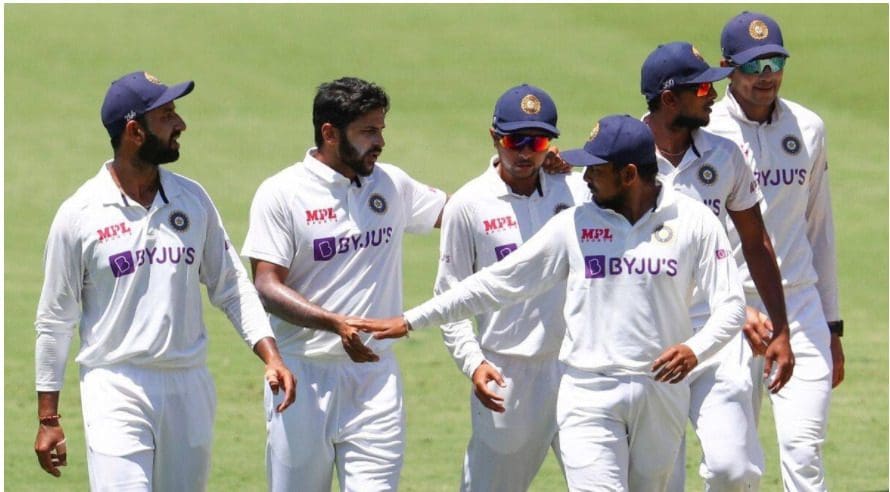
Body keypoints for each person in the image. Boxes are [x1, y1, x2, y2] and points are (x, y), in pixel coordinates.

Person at [349, 114, 746, 491]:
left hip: (661, 390)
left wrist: (695, 349)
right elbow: (496, 283)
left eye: (595, 169)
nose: (584, 178)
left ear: (628, 175)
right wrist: (410, 320)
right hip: (589, 390)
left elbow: (731, 305)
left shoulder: (693, 221)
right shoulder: (575, 224)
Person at [33, 71, 296, 491]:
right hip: (115, 384)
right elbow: (55, 318)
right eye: (167, 115)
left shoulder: (193, 199)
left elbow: (231, 286)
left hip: (188, 386)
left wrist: (271, 356)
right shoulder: (79, 214)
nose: (181, 124)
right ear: (134, 132)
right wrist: (49, 418)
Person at [240, 76, 448, 491]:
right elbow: (265, 285)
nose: (380, 142)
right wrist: (334, 323)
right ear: (330, 133)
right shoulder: (282, 193)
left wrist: (527, 170)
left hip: (375, 378)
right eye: (368, 131)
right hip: (302, 376)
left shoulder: (391, 183)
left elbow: (464, 215)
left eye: (381, 129)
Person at [639, 41, 795, 491]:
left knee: (734, 468)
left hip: (715, 332)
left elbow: (756, 242)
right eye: (703, 89)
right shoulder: (623, 152)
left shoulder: (725, 155)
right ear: (671, 99)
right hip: (647, 337)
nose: (713, 95)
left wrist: (781, 329)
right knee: (658, 480)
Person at [706, 11, 845, 491]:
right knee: (729, 467)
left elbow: (819, 227)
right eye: (753, 66)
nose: (766, 76)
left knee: (804, 452)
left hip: (800, 304)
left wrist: (832, 325)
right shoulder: (705, 132)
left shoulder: (808, 127)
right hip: (730, 309)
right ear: (728, 68)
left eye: (775, 63)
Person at [435, 84, 589, 491]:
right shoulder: (469, 204)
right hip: (507, 372)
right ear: (494, 137)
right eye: (513, 140)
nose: (524, 153)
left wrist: (571, 164)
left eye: (536, 142)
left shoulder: (576, 191)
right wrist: (473, 363)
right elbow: (449, 298)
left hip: (578, 366)